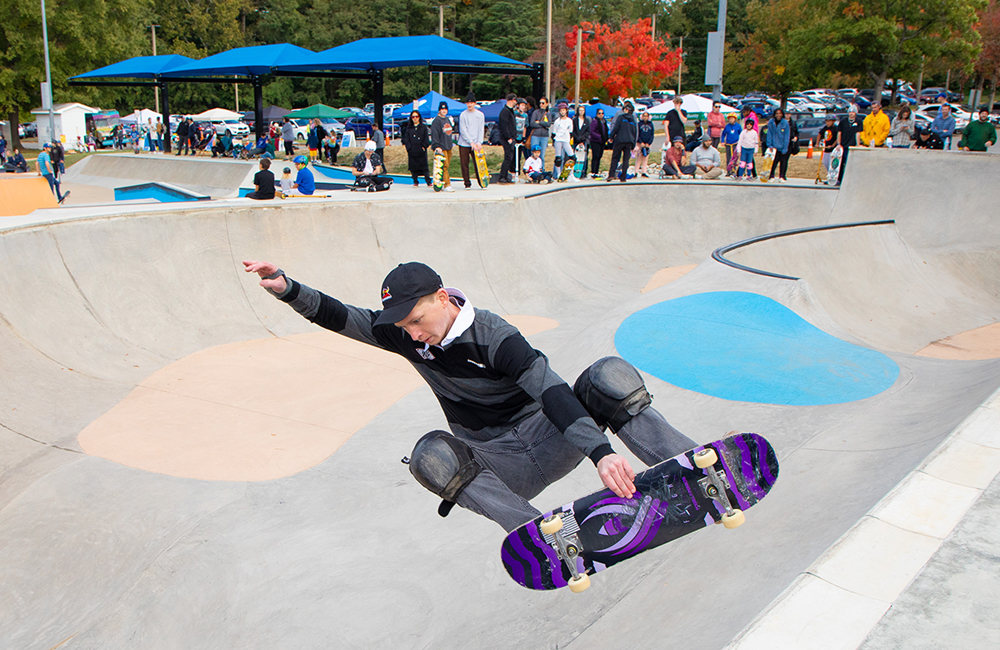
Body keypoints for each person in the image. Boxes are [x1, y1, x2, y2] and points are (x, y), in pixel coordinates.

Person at [241, 259, 697, 532]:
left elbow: (552, 390)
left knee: (607, 376)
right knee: (431, 454)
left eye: (417, 320)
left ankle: (697, 468)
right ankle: (540, 535)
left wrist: (600, 453)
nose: (413, 333)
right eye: (403, 326)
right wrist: (286, 288)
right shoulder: (405, 336)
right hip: (498, 468)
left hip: (551, 440)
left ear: (443, 298)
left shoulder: (495, 336)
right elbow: (339, 315)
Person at [457, 92, 486, 190]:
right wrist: (471, 142)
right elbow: (463, 130)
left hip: (476, 143)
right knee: (464, 164)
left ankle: (481, 182)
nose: (469, 105)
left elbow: (481, 129)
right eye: (468, 103)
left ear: (474, 103)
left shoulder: (480, 115)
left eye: (471, 103)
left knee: (478, 163)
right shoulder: (463, 115)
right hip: (464, 143)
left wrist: (479, 142)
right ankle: (467, 183)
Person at [606, 101, 637, 182]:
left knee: (615, 157)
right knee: (626, 160)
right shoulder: (633, 120)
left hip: (620, 140)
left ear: (626, 110)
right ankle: (623, 177)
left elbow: (616, 128)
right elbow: (634, 132)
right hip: (629, 141)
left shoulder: (621, 117)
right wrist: (633, 144)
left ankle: (611, 174)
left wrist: (611, 136)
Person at [430, 101, 456, 193]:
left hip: (448, 146)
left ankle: (440, 183)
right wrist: (436, 146)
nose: (444, 111)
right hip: (441, 147)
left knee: (446, 166)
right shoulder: (436, 121)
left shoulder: (447, 119)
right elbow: (434, 134)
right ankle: (447, 185)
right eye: (442, 109)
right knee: (443, 166)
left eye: (445, 109)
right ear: (439, 110)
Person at [402, 110, 432, 187]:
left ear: (419, 117)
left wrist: (424, 146)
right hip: (412, 150)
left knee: (424, 167)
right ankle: (415, 181)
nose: (415, 118)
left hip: (421, 151)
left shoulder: (423, 127)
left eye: (416, 116)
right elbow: (406, 139)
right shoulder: (409, 128)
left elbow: (426, 139)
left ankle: (428, 181)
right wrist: (409, 148)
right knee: (413, 167)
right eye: (413, 117)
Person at [837, 106, 862, 186]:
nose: (851, 114)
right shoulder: (843, 121)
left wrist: (858, 144)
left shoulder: (858, 121)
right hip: (843, 145)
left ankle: (849, 179)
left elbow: (858, 133)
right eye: (850, 112)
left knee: (850, 163)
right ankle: (839, 179)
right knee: (841, 163)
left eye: (853, 112)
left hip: (852, 145)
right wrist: (838, 144)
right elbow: (839, 133)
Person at [765, 108, 791, 183]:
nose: (778, 115)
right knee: (773, 162)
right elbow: (769, 134)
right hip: (773, 146)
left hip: (782, 146)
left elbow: (787, 136)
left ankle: (781, 176)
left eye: (780, 113)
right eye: (777, 113)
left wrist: (785, 147)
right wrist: (769, 145)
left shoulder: (785, 123)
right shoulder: (771, 122)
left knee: (783, 162)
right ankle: (771, 176)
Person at [497, 94, 518, 184]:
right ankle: (502, 176)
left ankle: (505, 176)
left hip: (511, 137)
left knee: (510, 157)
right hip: (507, 138)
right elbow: (504, 126)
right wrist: (508, 137)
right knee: (508, 157)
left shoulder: (510, 111)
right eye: (515, 100)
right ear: (511, 100)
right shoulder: (505, 111)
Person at [551, 102, 574, 179]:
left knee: (572, 157)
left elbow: (571, 132)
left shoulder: (569, 121)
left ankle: (570, 174)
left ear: (566, 111)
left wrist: (569, 139)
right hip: (558, 140)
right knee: (558, 158)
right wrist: (554, 142)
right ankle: (558, 174)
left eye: (563, 110)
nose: (562, 112)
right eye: (561, 110)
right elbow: (553, 133)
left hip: (566, 140)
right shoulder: (557, 121)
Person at [528, 97, 551, 172]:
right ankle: (532, 170)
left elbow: (548, 124)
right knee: (534, 153)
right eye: (540, 103)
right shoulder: (535, 112)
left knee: (542, 155)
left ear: (547, 104)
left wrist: (539, 122)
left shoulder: (548, 113)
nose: (541, 104)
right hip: (535, 135)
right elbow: (532, 123)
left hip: (544, 136)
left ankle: (541, 170)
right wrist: (542, 125)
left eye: (543, 103)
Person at [817, 115, 839, 183]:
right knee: (825, 162)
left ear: (833, 121)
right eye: (826, 121)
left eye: (829, 121)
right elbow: (820, 134)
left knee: (832, 165)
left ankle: (834, 178)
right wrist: (817, 143)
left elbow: (837, 138)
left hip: (833, 150)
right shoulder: (825, 128)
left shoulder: (836, 128)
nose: (828, 123)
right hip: (826, 149)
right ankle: (829, 176)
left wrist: (832, 145)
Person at [589, 107, 609, 177]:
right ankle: (593, 171)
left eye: (602, 113)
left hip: (602, 141)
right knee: (595, 156)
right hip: (595, 141)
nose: (601, 115)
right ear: (597, 114)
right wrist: (599, 136)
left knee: (599, 156)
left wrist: (606, 137)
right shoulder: (595, 121)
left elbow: (606, 130)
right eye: (599, 113)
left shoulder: (604, 121)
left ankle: (596, 171)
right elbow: (591, 131)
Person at [570, 105, 590, 172]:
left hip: (584, 141)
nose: (581, 112)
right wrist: (577, 138)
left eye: (582, 110)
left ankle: (583, 171)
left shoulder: (586, 121)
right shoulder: (574, 120)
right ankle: (575, 170)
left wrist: (582, 138)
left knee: (584, 157)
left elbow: (588, 131)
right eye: (580, 110)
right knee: (575, 156)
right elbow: (572, 130)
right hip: (576, 140)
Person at [636, 111, 655, 177]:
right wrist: (640, 142)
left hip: (647, 144)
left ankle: (644, 172)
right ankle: (636, 172)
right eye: (644, 116)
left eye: (646, 116)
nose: (645, 117)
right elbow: (637, 134)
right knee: (639, 158)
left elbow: (652, 135)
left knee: (645, 157)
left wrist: (649, 143)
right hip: (640, 143)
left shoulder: (651, 124)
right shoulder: (639, 124)